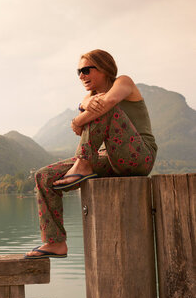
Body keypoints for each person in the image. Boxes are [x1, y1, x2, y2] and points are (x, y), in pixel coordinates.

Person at [24, 49, 157, 259]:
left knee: (104, 107)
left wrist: (78, 117)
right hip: (108, 158)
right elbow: (86, 120)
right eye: (78, 71)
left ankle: (83, 164)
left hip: (139, 156)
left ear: (104, 69)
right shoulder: (90, 98)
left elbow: (102, 107)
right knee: (43, 176)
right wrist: (83, 105)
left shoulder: (123, 82)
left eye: (86, 70)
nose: (81, 76)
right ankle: (55, 242)